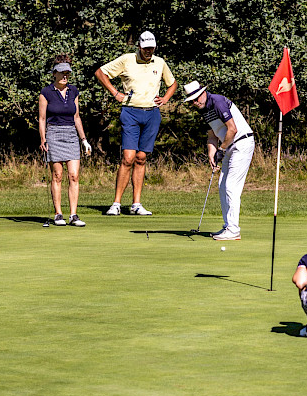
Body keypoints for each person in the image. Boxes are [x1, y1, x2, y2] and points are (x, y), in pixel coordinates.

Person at [95, 31, 177, 216]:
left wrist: (165, 98)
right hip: (131, 112)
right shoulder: (127, 60)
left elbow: (172, 83)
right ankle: (116, 203)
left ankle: (136, 204)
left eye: (152, 48)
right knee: (128, 158)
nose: (149, 51)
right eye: (146, 48)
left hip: (152, 114)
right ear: (139, 46)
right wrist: (115, 93)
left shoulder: (160, 62)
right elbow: (101, 73)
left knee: (141, 158)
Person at [182, 81, 255, 241]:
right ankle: (228, 226)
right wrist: (212, 153)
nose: (195, 102)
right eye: (192, 100)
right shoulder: (203, 109)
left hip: (241, 143)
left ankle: (234, 230)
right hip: (228, 145)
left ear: (203, 93)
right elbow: (212, 135)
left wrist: (221, 150)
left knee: (231, 186)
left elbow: (232, 129)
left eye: (196, 98)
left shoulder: (217, 102)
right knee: (222, 185)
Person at [38, 55, 92, 227]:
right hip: (53, 133)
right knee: (57, 175)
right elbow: (42, 118)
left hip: (71, 135)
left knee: (74, 175)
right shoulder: (46, 93)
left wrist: (84, 140)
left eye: (67, 73)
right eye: (62, 73)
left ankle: (74, 215)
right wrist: (43, 139)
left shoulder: (73, 91)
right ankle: (58, 214)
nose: (65, 76)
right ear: (54, 73)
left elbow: (76, 117)